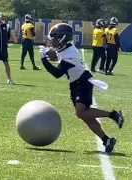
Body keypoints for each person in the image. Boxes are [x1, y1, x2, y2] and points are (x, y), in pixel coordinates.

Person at [38, 23, 124, 153]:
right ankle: (107, 140)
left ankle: (113, 114)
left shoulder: (70, 54)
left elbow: (57, 73)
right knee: (86, 117)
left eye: (55, 38)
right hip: (75, 83)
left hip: (82, 81)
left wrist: (44, 60)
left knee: (81, 112)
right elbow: (58, 56)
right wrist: (51, 54)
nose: (53, 41)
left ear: (63, 38)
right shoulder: (66, 47)